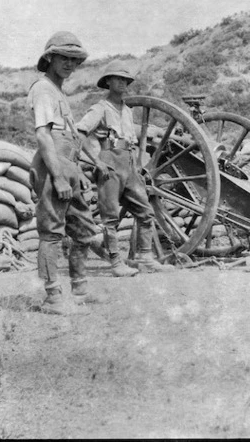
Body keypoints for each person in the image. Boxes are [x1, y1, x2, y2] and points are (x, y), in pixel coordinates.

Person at [76, 60, 174, 274]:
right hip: (109, 160)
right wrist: (97, 161)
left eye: (125, 79)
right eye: (117, 79)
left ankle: (145, 257)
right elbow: (79, 133)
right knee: (110, 217)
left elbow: (133, 141)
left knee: (145, 212)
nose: (122, 83)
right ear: (108, 82)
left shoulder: (128, 111)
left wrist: (137, 165)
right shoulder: (100, 109)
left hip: (128, 163)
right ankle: (115, 263)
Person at [27, 31, 100, 314]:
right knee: (52, 231)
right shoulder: (43, 88)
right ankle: (52, 297)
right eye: (64, 58)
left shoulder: (59, 91)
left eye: (74, 60)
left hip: (70, 164)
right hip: (51, 165)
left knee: (83, 228)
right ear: (50, 58)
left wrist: (76, 171)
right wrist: (57, 176)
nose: (70, 64)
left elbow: (71, 137)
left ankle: (79, 289)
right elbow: (44, 136)